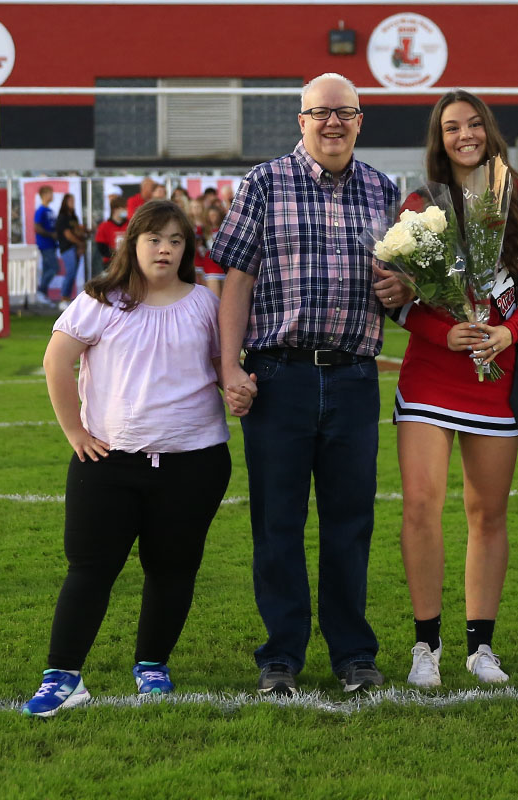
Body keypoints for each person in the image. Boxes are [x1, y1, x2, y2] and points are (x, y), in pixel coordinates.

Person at [211, 72, 410, 696]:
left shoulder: (384, 190)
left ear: (359, 120)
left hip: (353, 377)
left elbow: (402, 290)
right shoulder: (264, 184)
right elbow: (235, 280)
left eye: (344, 113)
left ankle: (354, 654)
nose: (332, 123)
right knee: (277, 524)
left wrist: (403, 288)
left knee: (350, 524)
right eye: (320, 113)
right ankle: (281, 655)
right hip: (280, 376)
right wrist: (229, 367)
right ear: (301, 120)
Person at [20, 200, 233, 717]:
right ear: (132, 243)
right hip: (109, 464)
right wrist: (75, 430)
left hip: (195, 461)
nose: (165, 249)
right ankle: (63, 676)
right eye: (154, 238)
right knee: (90, 569)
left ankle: (152, 665)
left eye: (176, 241)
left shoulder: (206, 303)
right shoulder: (101, 299)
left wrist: (240, 385)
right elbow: (57, 360)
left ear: (187, 249)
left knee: (173, 569)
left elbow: (223, 367)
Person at [390, 90, 518, 688]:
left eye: (475, 124)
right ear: (439, 138)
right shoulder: (421, 204)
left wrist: (507, 335)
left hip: (497, 377)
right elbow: (396, 303)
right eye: (452, 127)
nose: (465, 135)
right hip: (432, 375)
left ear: (490, 131)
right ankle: (425, 645)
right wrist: (445, 330)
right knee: (422, 508)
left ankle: (481, 647)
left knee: (488, 513)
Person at [55, 194, 87, 310]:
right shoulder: (63, 217)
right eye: (70, 201)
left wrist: (83, 232)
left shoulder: (73, 217)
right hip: (67, 248)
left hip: (75, 248)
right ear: (65, 202)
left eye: (73, 200)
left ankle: (67, 297)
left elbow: (77, 231)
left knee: (73, 273)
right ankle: (64, 298)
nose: (72, 203)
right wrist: (80, 243)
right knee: (70, 272)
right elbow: (68, 235)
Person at [34, 186, 61, 305]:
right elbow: (37, 227)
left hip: (52, 244)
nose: (52, 196)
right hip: (45, 244)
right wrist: (51, 234)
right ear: (44, 195)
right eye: (50, 193)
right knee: (54, 268)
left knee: (47, 269)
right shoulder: (41, 211)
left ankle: (43, 294)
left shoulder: (49, 210)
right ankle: (40, 291)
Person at [194, 203, 225, 298]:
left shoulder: (225, 229)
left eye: (215, 215)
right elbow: (197, 245)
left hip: (223, 266)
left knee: (225, 299)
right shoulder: (203, 230)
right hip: (210, 266)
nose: (213, 218)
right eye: (210, 215)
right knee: (214, 298)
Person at [95, 196, 128, 271]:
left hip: (127, 263)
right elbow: (102, 248)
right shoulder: (104, 226)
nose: (126, 211)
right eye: (124, 208)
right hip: (110, 264)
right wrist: (115, 255)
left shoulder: (130, 224)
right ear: (115, 209)